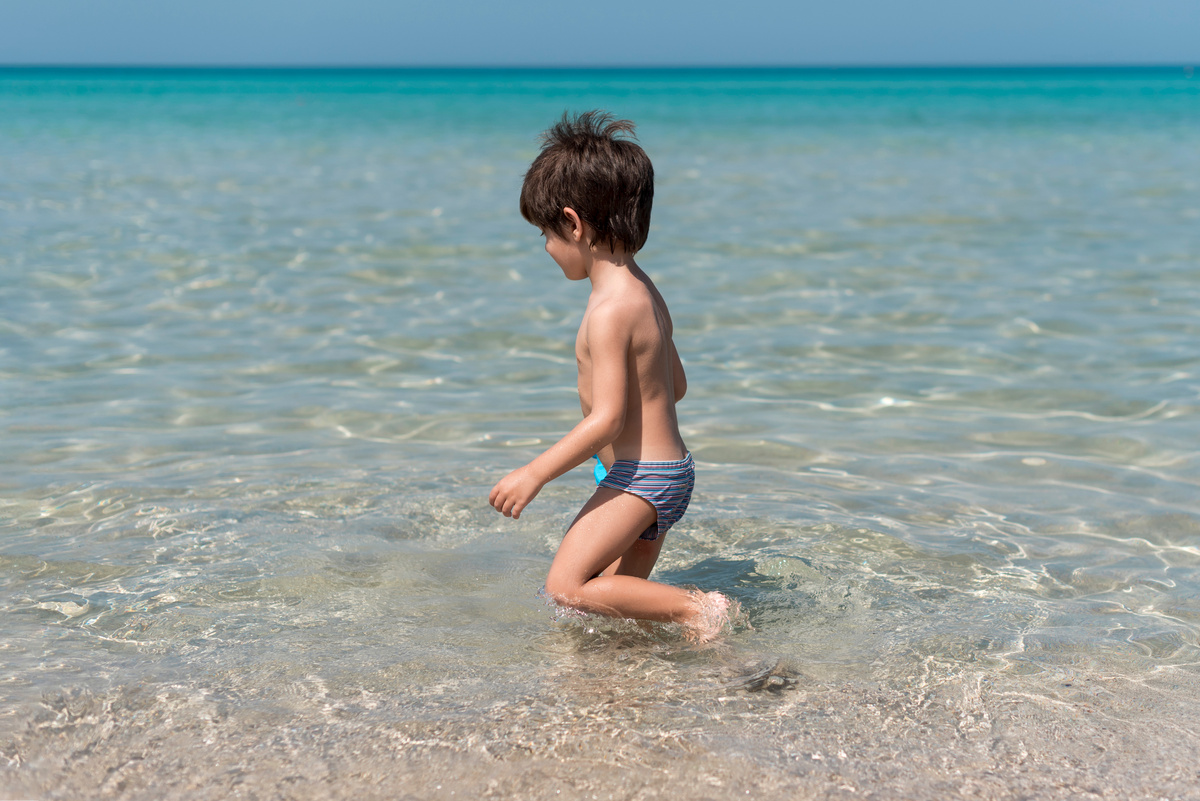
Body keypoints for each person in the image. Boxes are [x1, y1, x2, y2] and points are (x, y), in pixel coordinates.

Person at [488, 111, 732, 640]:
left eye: (545, 234)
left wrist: (533, 474)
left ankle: (700, 610)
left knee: (567, 587)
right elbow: (676, 386)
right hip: (668, 473)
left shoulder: (609, 310)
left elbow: (607, 419)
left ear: (573, 224)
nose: (547, 248)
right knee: (616, 600)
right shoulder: (644, 291)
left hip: (640, 479)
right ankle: (685, 669)